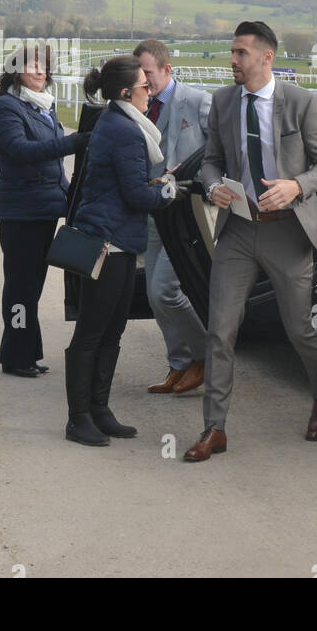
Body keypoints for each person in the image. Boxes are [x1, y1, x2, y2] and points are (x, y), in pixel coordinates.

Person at [183, 21, 317, 462]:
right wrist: (212, 186)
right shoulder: (223, 101)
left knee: (299, 330)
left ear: (266, 57)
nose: (232, 61)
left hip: (288, 231)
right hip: (238, 229)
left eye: (240, 53)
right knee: (220, 331)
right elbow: (212, 160)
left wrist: (297, 185)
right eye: (231, 53)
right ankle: (214, 429)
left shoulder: (301, 101)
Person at [63, 56, 176, 446]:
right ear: (127, 92)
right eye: (146, 86)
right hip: (107, 245)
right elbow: (136, 195)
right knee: (93, 333)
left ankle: (99, 409)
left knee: (111, 330)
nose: (151, 92)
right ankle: (79, 417)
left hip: (120, 243)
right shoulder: (125, 130)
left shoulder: (117, 121)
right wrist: (167, 190)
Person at [0, 44, 88, 378]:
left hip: (44, 209)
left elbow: (54, 165)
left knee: (32, 286)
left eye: (43, 66)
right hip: (20, 212)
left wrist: (70, 193)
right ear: (15, 70)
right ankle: (16, 356)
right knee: (20, 287)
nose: (39, 72)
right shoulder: (6, 107)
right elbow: (20, 150)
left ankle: (26, 352)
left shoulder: (44, 106)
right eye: (31, 66)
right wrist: (73, 143)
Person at [132, 39, 212, 396]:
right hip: (153, 213)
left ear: (167, 69)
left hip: (186, 215)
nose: (144, 82)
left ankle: (208, 356)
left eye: (148, 74)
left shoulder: (197, 101)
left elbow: (223, 151)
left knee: (166, 290)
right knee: (152, 294)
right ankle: (180, 363)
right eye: (140, 76)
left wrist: (198, 176)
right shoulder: (137, 105)